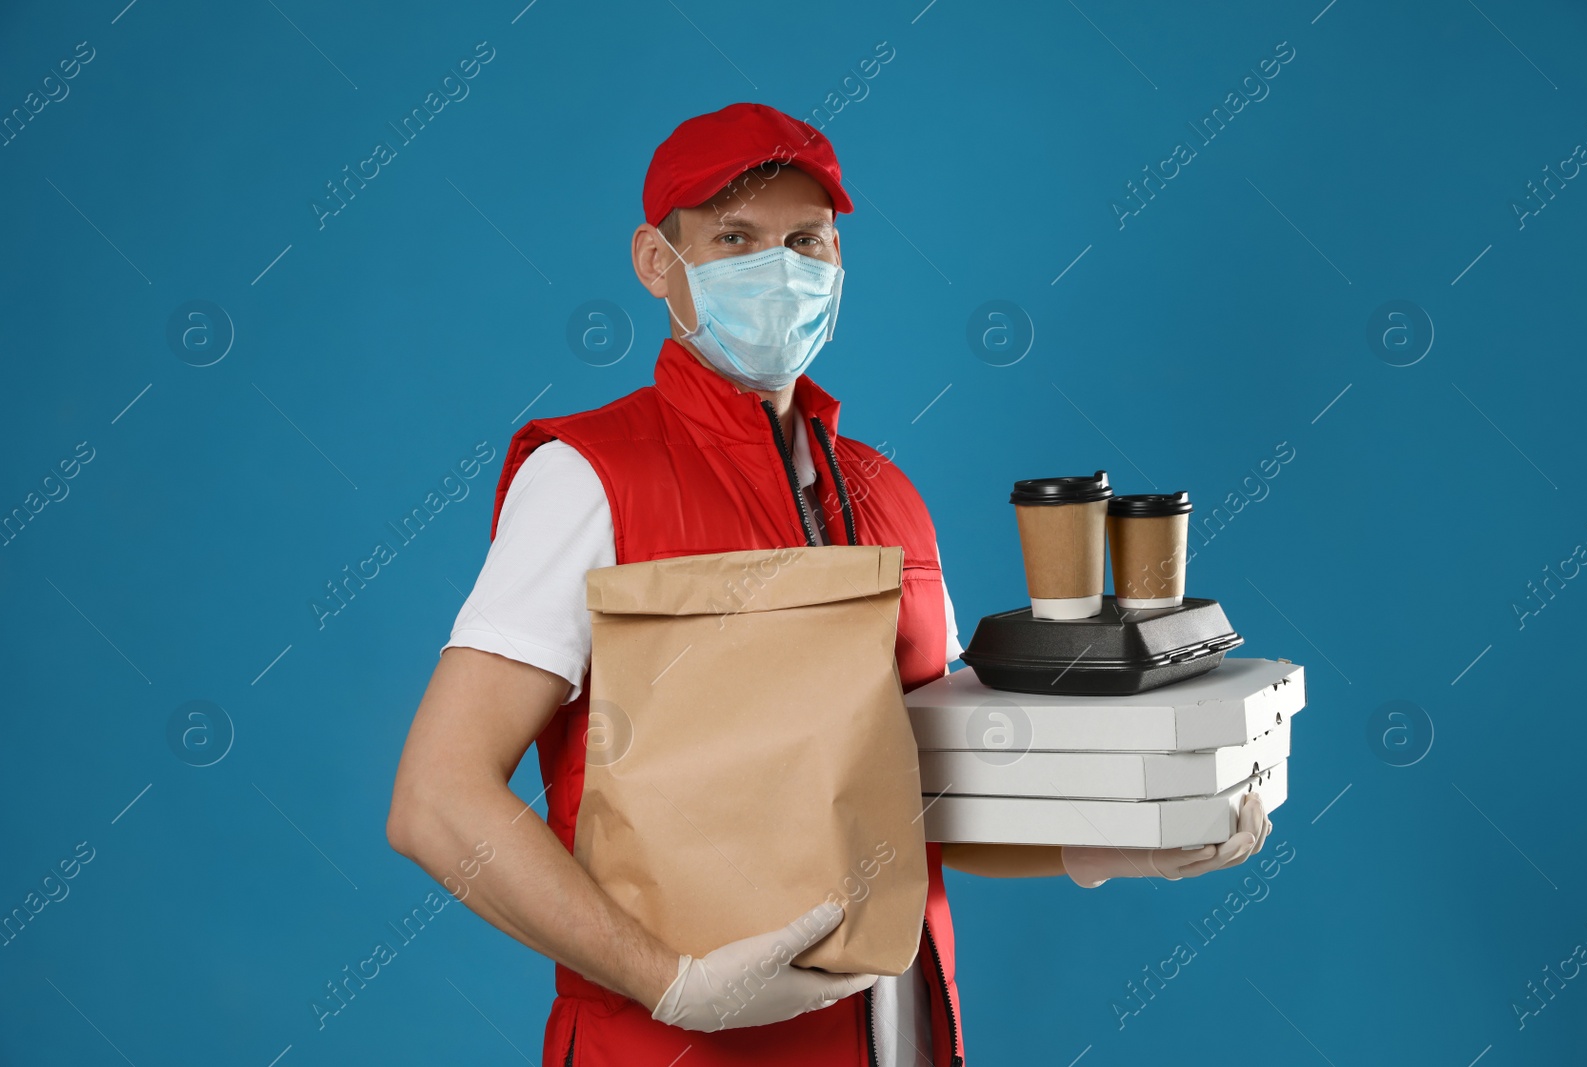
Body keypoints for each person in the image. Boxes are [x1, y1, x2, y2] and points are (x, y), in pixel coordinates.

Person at [385, 101, 1273, 1067]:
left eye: (806, 240)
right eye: (735, 238)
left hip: (902, 1034)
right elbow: (438, 798)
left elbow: (916, 794)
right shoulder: (593, 477)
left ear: (840, 259)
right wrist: (667, 979)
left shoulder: (887, 499)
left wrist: (1112, 840)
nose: (779, 271)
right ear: (655, 262)